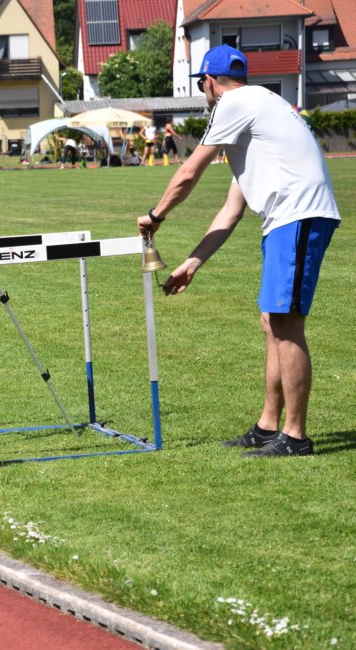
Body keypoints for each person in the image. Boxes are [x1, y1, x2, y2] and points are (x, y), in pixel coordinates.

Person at [137, 44, 341, 458]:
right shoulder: (257, 114)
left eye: (202, 84)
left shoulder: (233, 104)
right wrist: (192, 262)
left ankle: (295, 437)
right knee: (273, 321)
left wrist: (156, 215)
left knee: (286, 323)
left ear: (209, 82)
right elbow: (231, 211)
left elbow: (189, 172)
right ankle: (268, 427)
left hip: (298, 215)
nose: (204, 91)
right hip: (290, 217)